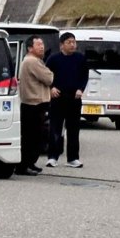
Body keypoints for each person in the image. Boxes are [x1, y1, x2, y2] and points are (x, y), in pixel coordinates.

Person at [45, 32, 88, 168]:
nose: (72, 45)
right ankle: (52, 157)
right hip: (58, 98)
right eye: (69, 42)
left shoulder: (80, 58)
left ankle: (73, 158)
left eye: (74, 42)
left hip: (74, 98)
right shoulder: (53, 59)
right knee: (55, 128)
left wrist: (81, 89)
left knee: (73, 129)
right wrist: (51, 88)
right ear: (61, 45)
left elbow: (84, 76)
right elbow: (46, 75)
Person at [17, 38, 53, 176]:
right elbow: (49, 78)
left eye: (42, 44)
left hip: (34, 104)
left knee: (34, 137)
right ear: (29, 48)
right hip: (33, 104)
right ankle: (23, 165)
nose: (42, 47)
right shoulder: (32, 61)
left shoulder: (34, 61)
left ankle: (30, 163)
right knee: (31, 137)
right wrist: (50, 73)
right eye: (38, 45)